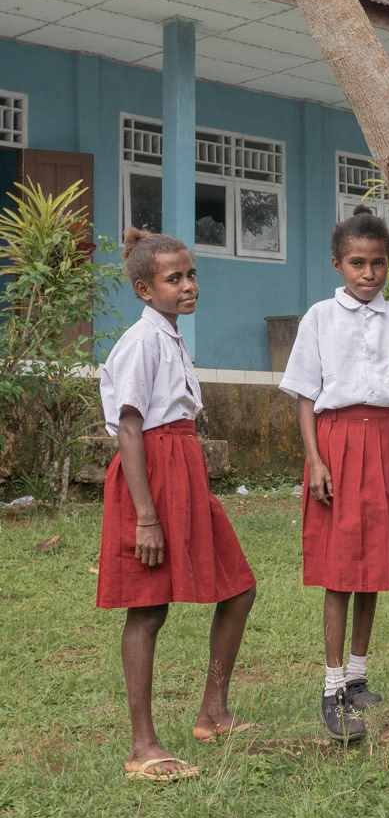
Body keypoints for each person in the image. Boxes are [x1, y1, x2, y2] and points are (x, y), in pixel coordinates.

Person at [280, 205, 389, 741]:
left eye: (378, 264)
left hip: (388, 442)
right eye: (358, 263)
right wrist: (315, 461)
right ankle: (330, 687)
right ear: (338, 265)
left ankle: (357, 675)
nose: (369, 274)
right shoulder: (319, 319)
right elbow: (306, 396)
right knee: (340, 565)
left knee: (371, 562)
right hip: (337, 442)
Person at [97, 229, 257, 781]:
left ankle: (213, 711)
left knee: (238, 586)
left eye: (192, 275)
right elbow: (129, 428)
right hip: (153, 476)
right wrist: (146, 516)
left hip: (184, 470)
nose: (189, 286)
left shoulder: (170, 336)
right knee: (147, 607)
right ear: (145, 289)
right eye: (175, 279)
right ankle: (143, 746)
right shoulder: (141, 342)